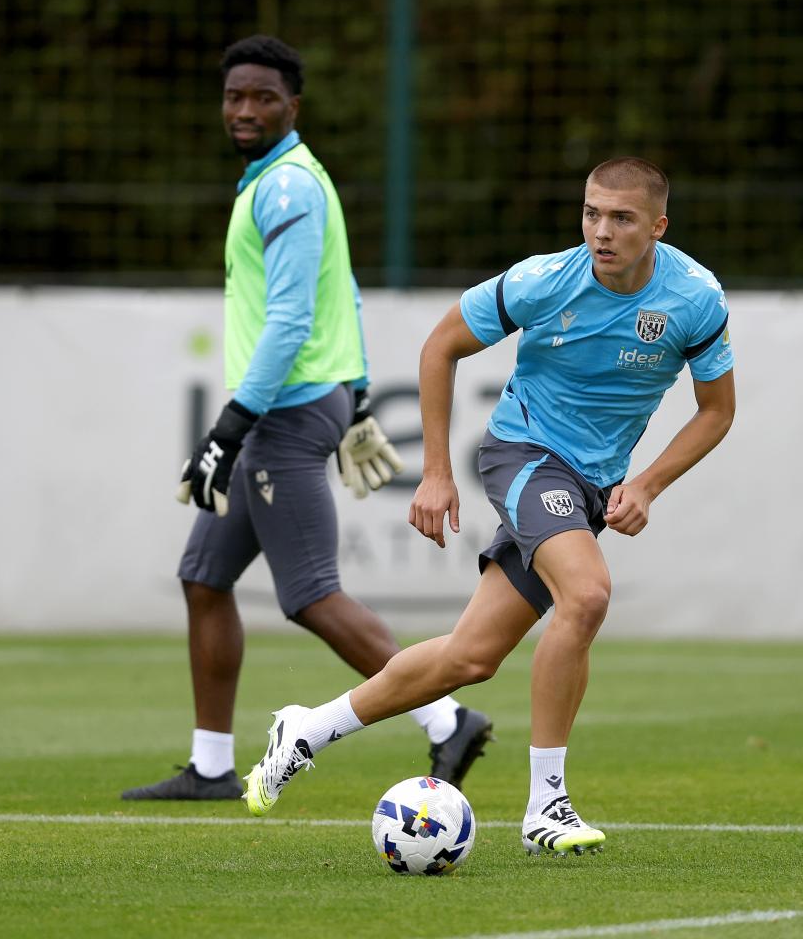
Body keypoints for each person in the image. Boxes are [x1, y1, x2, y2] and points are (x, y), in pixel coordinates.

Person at [241, 156, 735, 856]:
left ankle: (306, 730)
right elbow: (441, 346)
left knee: (468, 659)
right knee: (588, 595)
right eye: (592, 212)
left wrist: (648, 483)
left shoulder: (695, 298)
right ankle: (546, 806)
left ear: (658, 226)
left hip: (591, 485)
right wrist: (435, 473)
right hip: (524, 455)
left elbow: (717, 411)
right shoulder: (543, 279)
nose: (602, 230)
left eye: (622, 218)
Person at [121, 35, 492, 801]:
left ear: (294, 105)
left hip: (281, 416)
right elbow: (344, 293)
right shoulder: (291, 178)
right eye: (235, 96)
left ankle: (446, 719)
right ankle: (213, 767)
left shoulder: (285, 187)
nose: (246, 109)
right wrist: (355, 396)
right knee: (203, 577)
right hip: (301, 405)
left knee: (310, 594)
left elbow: (290, 322)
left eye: (263, 96)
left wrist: (230, 427)